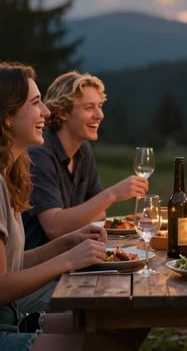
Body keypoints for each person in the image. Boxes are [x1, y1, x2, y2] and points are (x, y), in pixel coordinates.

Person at [0, 61, 108, 350]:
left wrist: (66, 244)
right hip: (6, 322)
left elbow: (12, 263)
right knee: (100, 338)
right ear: (8, 115)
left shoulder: (8, 176)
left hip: (10, 316)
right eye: (36, 103)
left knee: (116, 322)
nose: (45, 112)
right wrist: (70, 259)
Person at [23, 71, 148, 249]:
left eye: (100, 106)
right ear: (62, 112)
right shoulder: (39, 154)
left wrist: (79, 215)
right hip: (40, 268)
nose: (100, 115)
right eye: (89, 108)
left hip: (73, 255)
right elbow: (55, 227)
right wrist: (113, 194)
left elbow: (100, 212)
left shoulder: (83, 150)